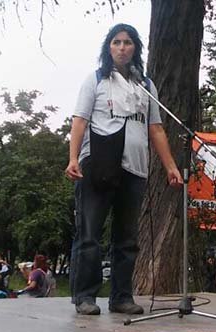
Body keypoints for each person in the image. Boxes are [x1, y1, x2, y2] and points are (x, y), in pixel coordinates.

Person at [65, 23, 183, 315]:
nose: (121, 47)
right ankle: (85, 297)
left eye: (127, 42)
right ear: (109, 47)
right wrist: (73, 158)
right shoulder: (95, 81)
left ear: (135, 48)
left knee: (127, 238)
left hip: (135, 167)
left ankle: (121, 297)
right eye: (116, 42)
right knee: (90, 234)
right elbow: (79, 120)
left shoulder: (146, 85)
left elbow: (156, 129)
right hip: (98, 163)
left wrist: (170, 167)